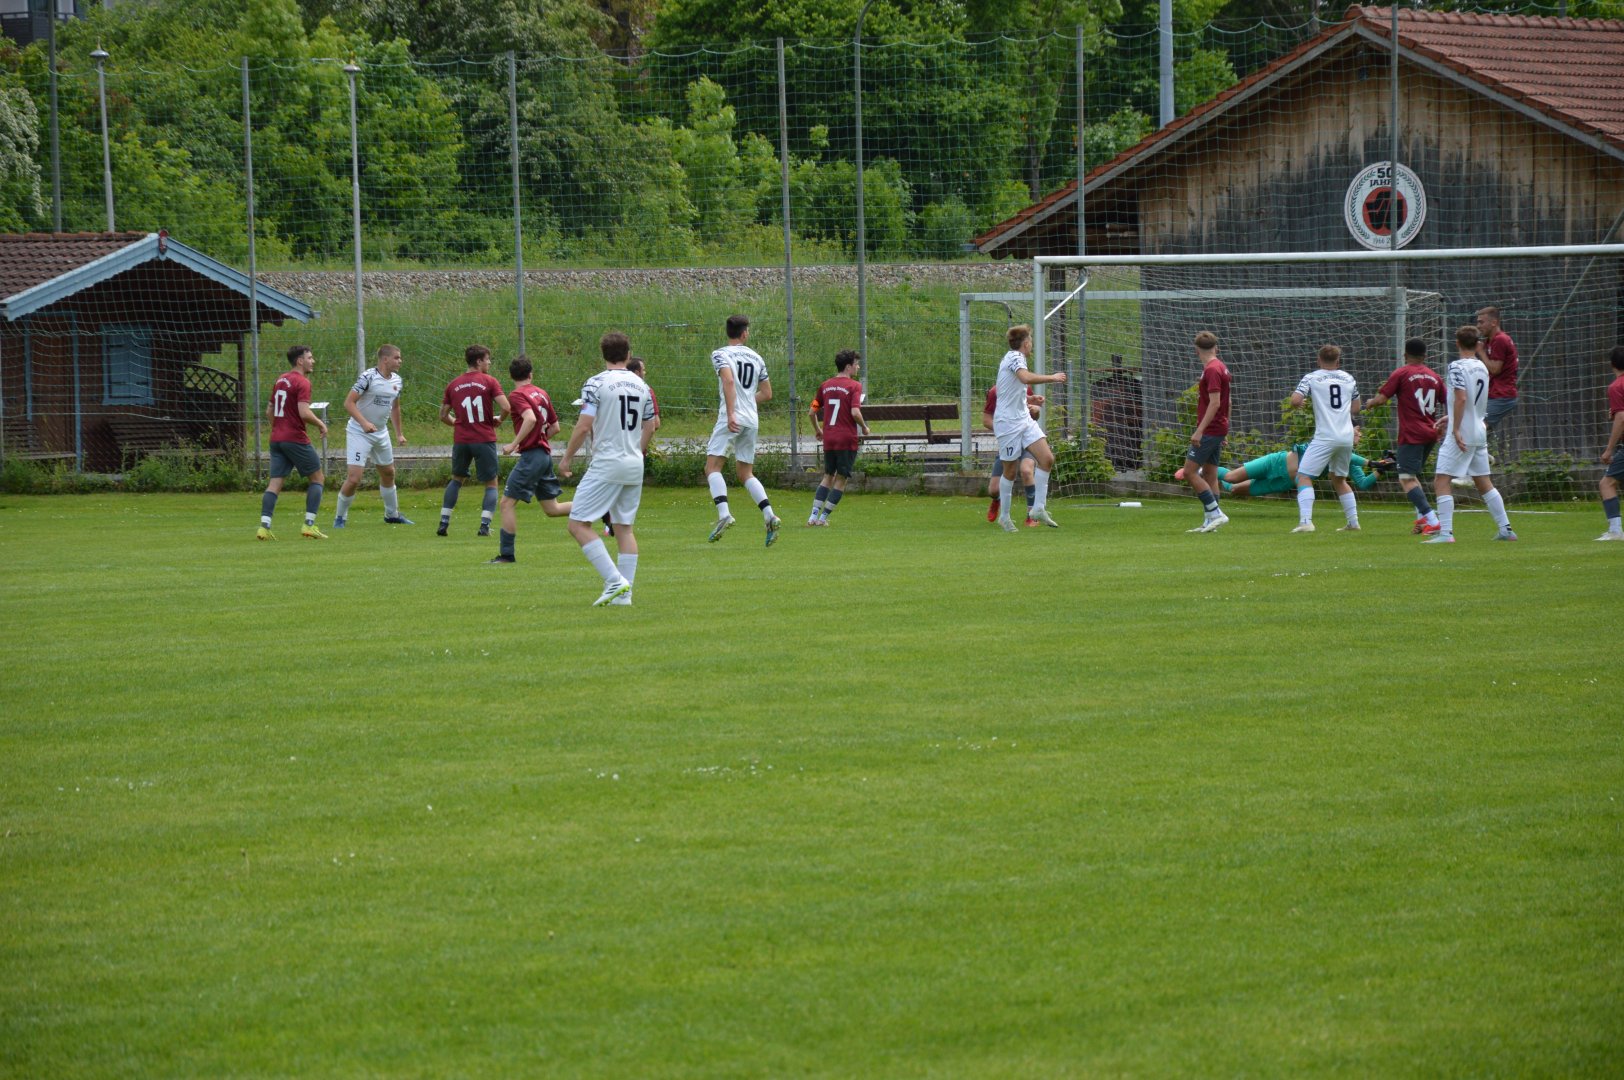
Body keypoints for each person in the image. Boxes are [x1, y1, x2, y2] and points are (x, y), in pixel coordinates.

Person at [559, 331, 656, 606]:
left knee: (578, 524)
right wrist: (636, 451)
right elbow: (650, 425)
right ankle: (624, 597)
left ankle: (615, 581)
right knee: (624, 529)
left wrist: (566, 458)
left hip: (607, 463)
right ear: (628, 355)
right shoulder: (642, 386)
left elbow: (584, 425)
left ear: (603, 355)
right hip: (634, 463)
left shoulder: (596, 383)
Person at [1425, 325, 1517, 543]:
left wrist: (1455, 428)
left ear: (1457, 343)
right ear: (1478, 344)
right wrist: (1451, 417)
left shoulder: (1456, 366)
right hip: (1479, 429)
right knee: (1483, 481)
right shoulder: (1482, 367)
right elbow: (1474, 400)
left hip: (1463, 432)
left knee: (1441, 480)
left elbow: (1462, 398)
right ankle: (1506, 529)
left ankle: (1446, 533)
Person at [704, 314, 780, 546]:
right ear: (745, 333)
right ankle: (769, 515)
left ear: (728, 332)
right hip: (751, 419)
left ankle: (724, 514)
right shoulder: (757, 357)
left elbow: (728, 381)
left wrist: (731, 413)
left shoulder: (720, 354)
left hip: (733, 417)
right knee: (745, 473)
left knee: (712, 467)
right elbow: (767, 393)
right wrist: (746, 403)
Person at [490, 355, 572, 564]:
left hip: (533, 456)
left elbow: (530, 418)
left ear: (511, 376)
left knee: (506, 504)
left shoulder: (517, 395)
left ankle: (506, 555)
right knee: (552, 509)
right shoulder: (541, 393)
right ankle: (601, 508)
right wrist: (535, 439)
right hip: (543, 455)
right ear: (530, 374)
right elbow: (555, 427)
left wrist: (514, 444)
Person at [1362, 337, 1446, 535]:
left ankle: (1433, 521)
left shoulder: (1402, 373)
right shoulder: (1435, 376)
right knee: (1412, 477)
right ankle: (1422, 521)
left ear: (1405, 354)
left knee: (1406, 479)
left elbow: (1382, 399)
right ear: (1425, 356)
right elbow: (1447, 400)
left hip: (1412, 434)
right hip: (1431, 432)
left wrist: (1370, 403)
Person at [992, 324, 1067, 532]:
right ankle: (1004, 517)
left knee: (1047, 459)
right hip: (1008, 423)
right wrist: (1052, 377)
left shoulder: (1015, 359)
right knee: (1010, 471)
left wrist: (1029, 399)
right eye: (1031, 341)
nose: (1031, 344)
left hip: (1023, 419)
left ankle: (1038, 508)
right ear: (1026, 343)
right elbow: (1025, 377)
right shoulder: (1015, 357)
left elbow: (1010, 391)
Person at [333, 344, 412, 528]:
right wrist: (364, 423)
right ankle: (340, 517)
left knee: (389, 473)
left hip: (381, 433)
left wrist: (399, 434)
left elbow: (395, 407)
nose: (400, 361)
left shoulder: (397, 381)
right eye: (397, 357)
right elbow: (349, 403)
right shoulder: (368, 377)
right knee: (354, 478)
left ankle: (392, 515)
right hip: (359, 432)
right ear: (385, 359)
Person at [257, 344, 329, 540]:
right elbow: (304, 412)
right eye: (310, 358)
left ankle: (264, 527)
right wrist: (321, 424)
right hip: (295, 438)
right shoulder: (302, 382)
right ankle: (309, 525)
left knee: (275, 483)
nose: (313, 361)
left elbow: (269, 411)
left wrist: (279, 428)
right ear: (300, 361)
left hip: (276, 439)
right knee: (317, 479)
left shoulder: (281, 379)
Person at [1288, 344, 1361, 534]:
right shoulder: (1349, 378)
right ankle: (1353, 523)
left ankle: (1306, 522)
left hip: (1326, 436)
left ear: (1319, 360)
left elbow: (1295, 400)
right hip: (1346, 436)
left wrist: (1300, 404)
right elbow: (1356, 408)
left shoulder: (1311, 377)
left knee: (1303, 476)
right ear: (1338, 361)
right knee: (1339, 478)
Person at [438, 344, 509, 537]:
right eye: (487, 359)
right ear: (478, 361)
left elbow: (443, 415)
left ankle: (444, 522)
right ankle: (484, 526)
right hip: (484, 438)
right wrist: (499, 420)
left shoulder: (453, 384)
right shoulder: (489, 381)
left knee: (456, 479)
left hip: (461, 440)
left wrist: (457, 423)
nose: (489, 362)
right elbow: (506, 407)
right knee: (491, 483)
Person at [808, 349, 870, 526]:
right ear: (848, 367)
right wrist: (864, 427)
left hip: (829, 438)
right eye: (856, 364)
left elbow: (812, 411)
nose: (858, 367)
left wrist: (818, 430)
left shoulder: (825, 386)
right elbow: (855, 412)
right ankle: (823, 519)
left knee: (828, 476)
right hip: (846, 439)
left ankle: (813, 516)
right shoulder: (854, 386)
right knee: (841, 478)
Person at [1220, 433, 1390, 498]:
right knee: (1230, 477)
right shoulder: (1328, 440)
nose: (1360, 434)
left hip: (1283, 482)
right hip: (1276, 463)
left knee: (1233, 489)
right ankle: (1207, 469)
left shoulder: (1348, 458)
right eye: (1357, 430)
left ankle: (1209, 475)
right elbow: (1347, 454)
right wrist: (1371, 462)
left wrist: (1380, 470)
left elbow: (1362, 483)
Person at [604, 357, 660, 536]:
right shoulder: (645, 389)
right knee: (626, 494)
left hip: (613, 447)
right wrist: (639, 447)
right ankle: (616, 524)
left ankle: (609, 522)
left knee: (609, 487)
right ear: (637, 372)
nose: (645, 372)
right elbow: (655, 423)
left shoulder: (609, 386)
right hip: (634, 451)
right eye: (643, 369)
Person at [1185, 330, 1232, 533]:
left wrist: (1200, 431)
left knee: (1189, 472)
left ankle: (1216, 513)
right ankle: (1209, 522)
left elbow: (1215, 403)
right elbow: (1228, 401)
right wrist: (1225, 428)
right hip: (1218, 427)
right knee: (1210, 474)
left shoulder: (1212, 370)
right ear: (1216, 348)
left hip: (1210, 429)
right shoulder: (1220, 367)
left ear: (1196, 350)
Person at [983, 385, 1042, 526]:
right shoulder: (995, 392)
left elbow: (1034, 417)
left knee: (1026, 471)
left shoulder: (1025, 388)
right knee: (993, 490)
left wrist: (1036, 411)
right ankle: (996, 500)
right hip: (1008, 441)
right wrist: (1005, 429)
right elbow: (986, 420)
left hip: (1027, 441)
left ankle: (1032, 515)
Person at [1598, 345, 1624, 541]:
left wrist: (1609, 450)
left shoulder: (1616, 386)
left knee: (1606, 483)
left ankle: (1615, 531)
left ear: (1611, 364)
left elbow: (1622, 418)